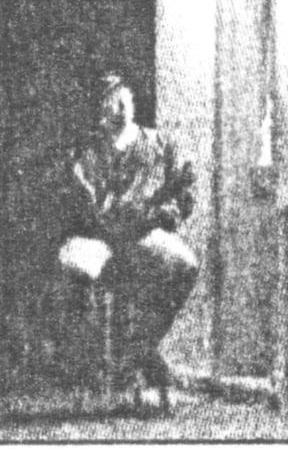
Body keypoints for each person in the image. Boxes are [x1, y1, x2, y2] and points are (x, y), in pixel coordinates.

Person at [58, 74, 198, 412]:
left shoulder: (158, 144)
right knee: (80, 273)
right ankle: (97, 377)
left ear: (133, 102)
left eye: (125, 100)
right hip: (100, 239)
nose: (119, 109)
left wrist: (165, 213)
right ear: (100, 111)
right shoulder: (87, 153)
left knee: (185, 265)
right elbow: (80, 202)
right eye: (110, 102)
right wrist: (98, 213)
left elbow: (184, 191)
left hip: (143, 233)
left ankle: (139, 350)